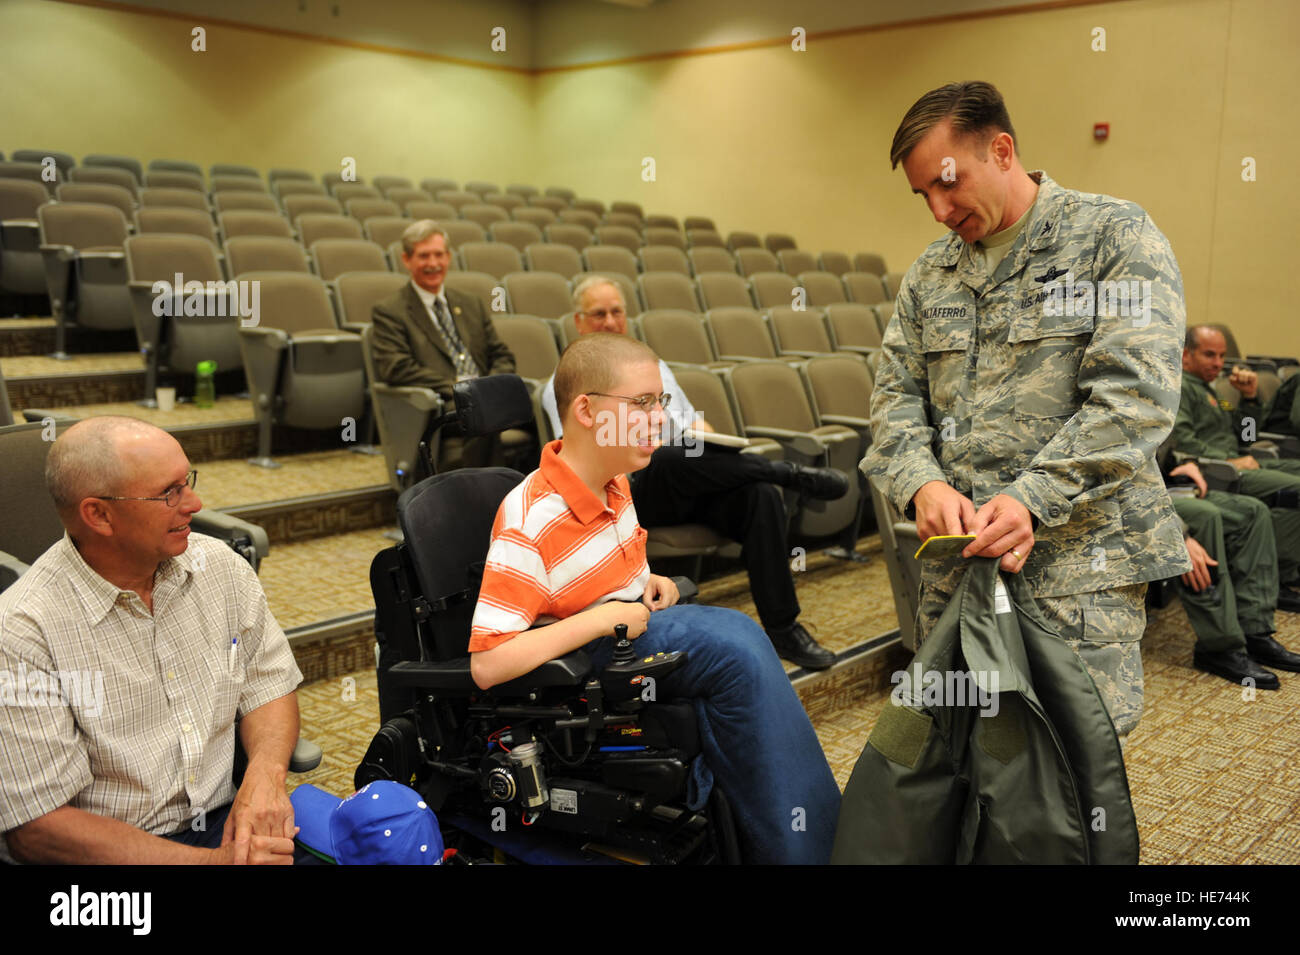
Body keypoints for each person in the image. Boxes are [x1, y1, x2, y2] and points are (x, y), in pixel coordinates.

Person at [864, 81, 1189, 738]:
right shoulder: (931, 275)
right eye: (923, 193)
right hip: (958, 575)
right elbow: (893, 399)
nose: (936, 209)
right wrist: (919, 482)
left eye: (947, 184)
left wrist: (1031, 498)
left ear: (1003, 150)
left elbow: (1136, 399)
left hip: (1075, 578)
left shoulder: (1111, 237)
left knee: (1070, 785)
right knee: (959, 763)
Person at [471, 333, 841, 863]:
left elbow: (611, 571)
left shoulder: (617, 482)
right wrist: (603, 619)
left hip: (628, 629)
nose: (658, 418)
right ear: (586, 411)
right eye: (641, 404)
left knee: (737, 642)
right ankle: (812, 851)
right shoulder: (529, 518)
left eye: (659, 402)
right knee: (737, 644)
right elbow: (487, 663)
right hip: (585, 661)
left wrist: (646, 581)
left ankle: (801, 838)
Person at [0, 417, 303, 864]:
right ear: (98, 514)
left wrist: (265, 775)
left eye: (187, 482)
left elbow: (270, 685)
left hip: (228, 822)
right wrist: (213, 864)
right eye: (169, 493)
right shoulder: (23, 633)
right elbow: (41, 829)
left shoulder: (219, 567)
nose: (194, 503)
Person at [539, 277, 850, 670]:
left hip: (688, 477)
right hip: (630, 490)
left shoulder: (654, 367)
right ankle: (786, 472)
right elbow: (577, 457)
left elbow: (694, 426)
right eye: (599, 313)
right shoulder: (565, 384)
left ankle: (783, 627)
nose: (610, 320)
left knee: (760, 495)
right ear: (580, 322)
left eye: (617, 311)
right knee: (667, 454)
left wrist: (720, 451)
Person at [370, 220, 517, 469]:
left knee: (552, 409)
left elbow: (501, 353)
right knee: (483, 418)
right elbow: (396, 367)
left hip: (484, 395)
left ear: (448, 257)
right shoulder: (390, 311)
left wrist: (490, 386)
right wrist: (462, 390)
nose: (433, 263)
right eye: (423, 256)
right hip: (441, 403)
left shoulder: (471, 303)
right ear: (407, 260)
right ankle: (487, 501)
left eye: (439, 254)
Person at [1174, 324, 1300, 588]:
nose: (1218, 363)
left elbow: (1247, 437)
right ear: (1186, 355)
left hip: (1238, 461)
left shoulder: (1216, 395)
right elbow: (1183, 442)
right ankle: (1282, 576)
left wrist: (1250, 399)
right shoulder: (1180, 388)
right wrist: (1231, 461)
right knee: (1295, 491)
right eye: (1210, 355)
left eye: (1222, 356)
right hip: (1215, 470)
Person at [1165, 458, 1300, 687]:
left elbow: (1165, 451)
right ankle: (1219, 647)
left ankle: (1255, 632)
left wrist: (1187, 463)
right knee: (1205, 516)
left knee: (1253, 512)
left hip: (1163, 486)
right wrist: (1180, 533)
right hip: (1126, 497)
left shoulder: (1153, 421)